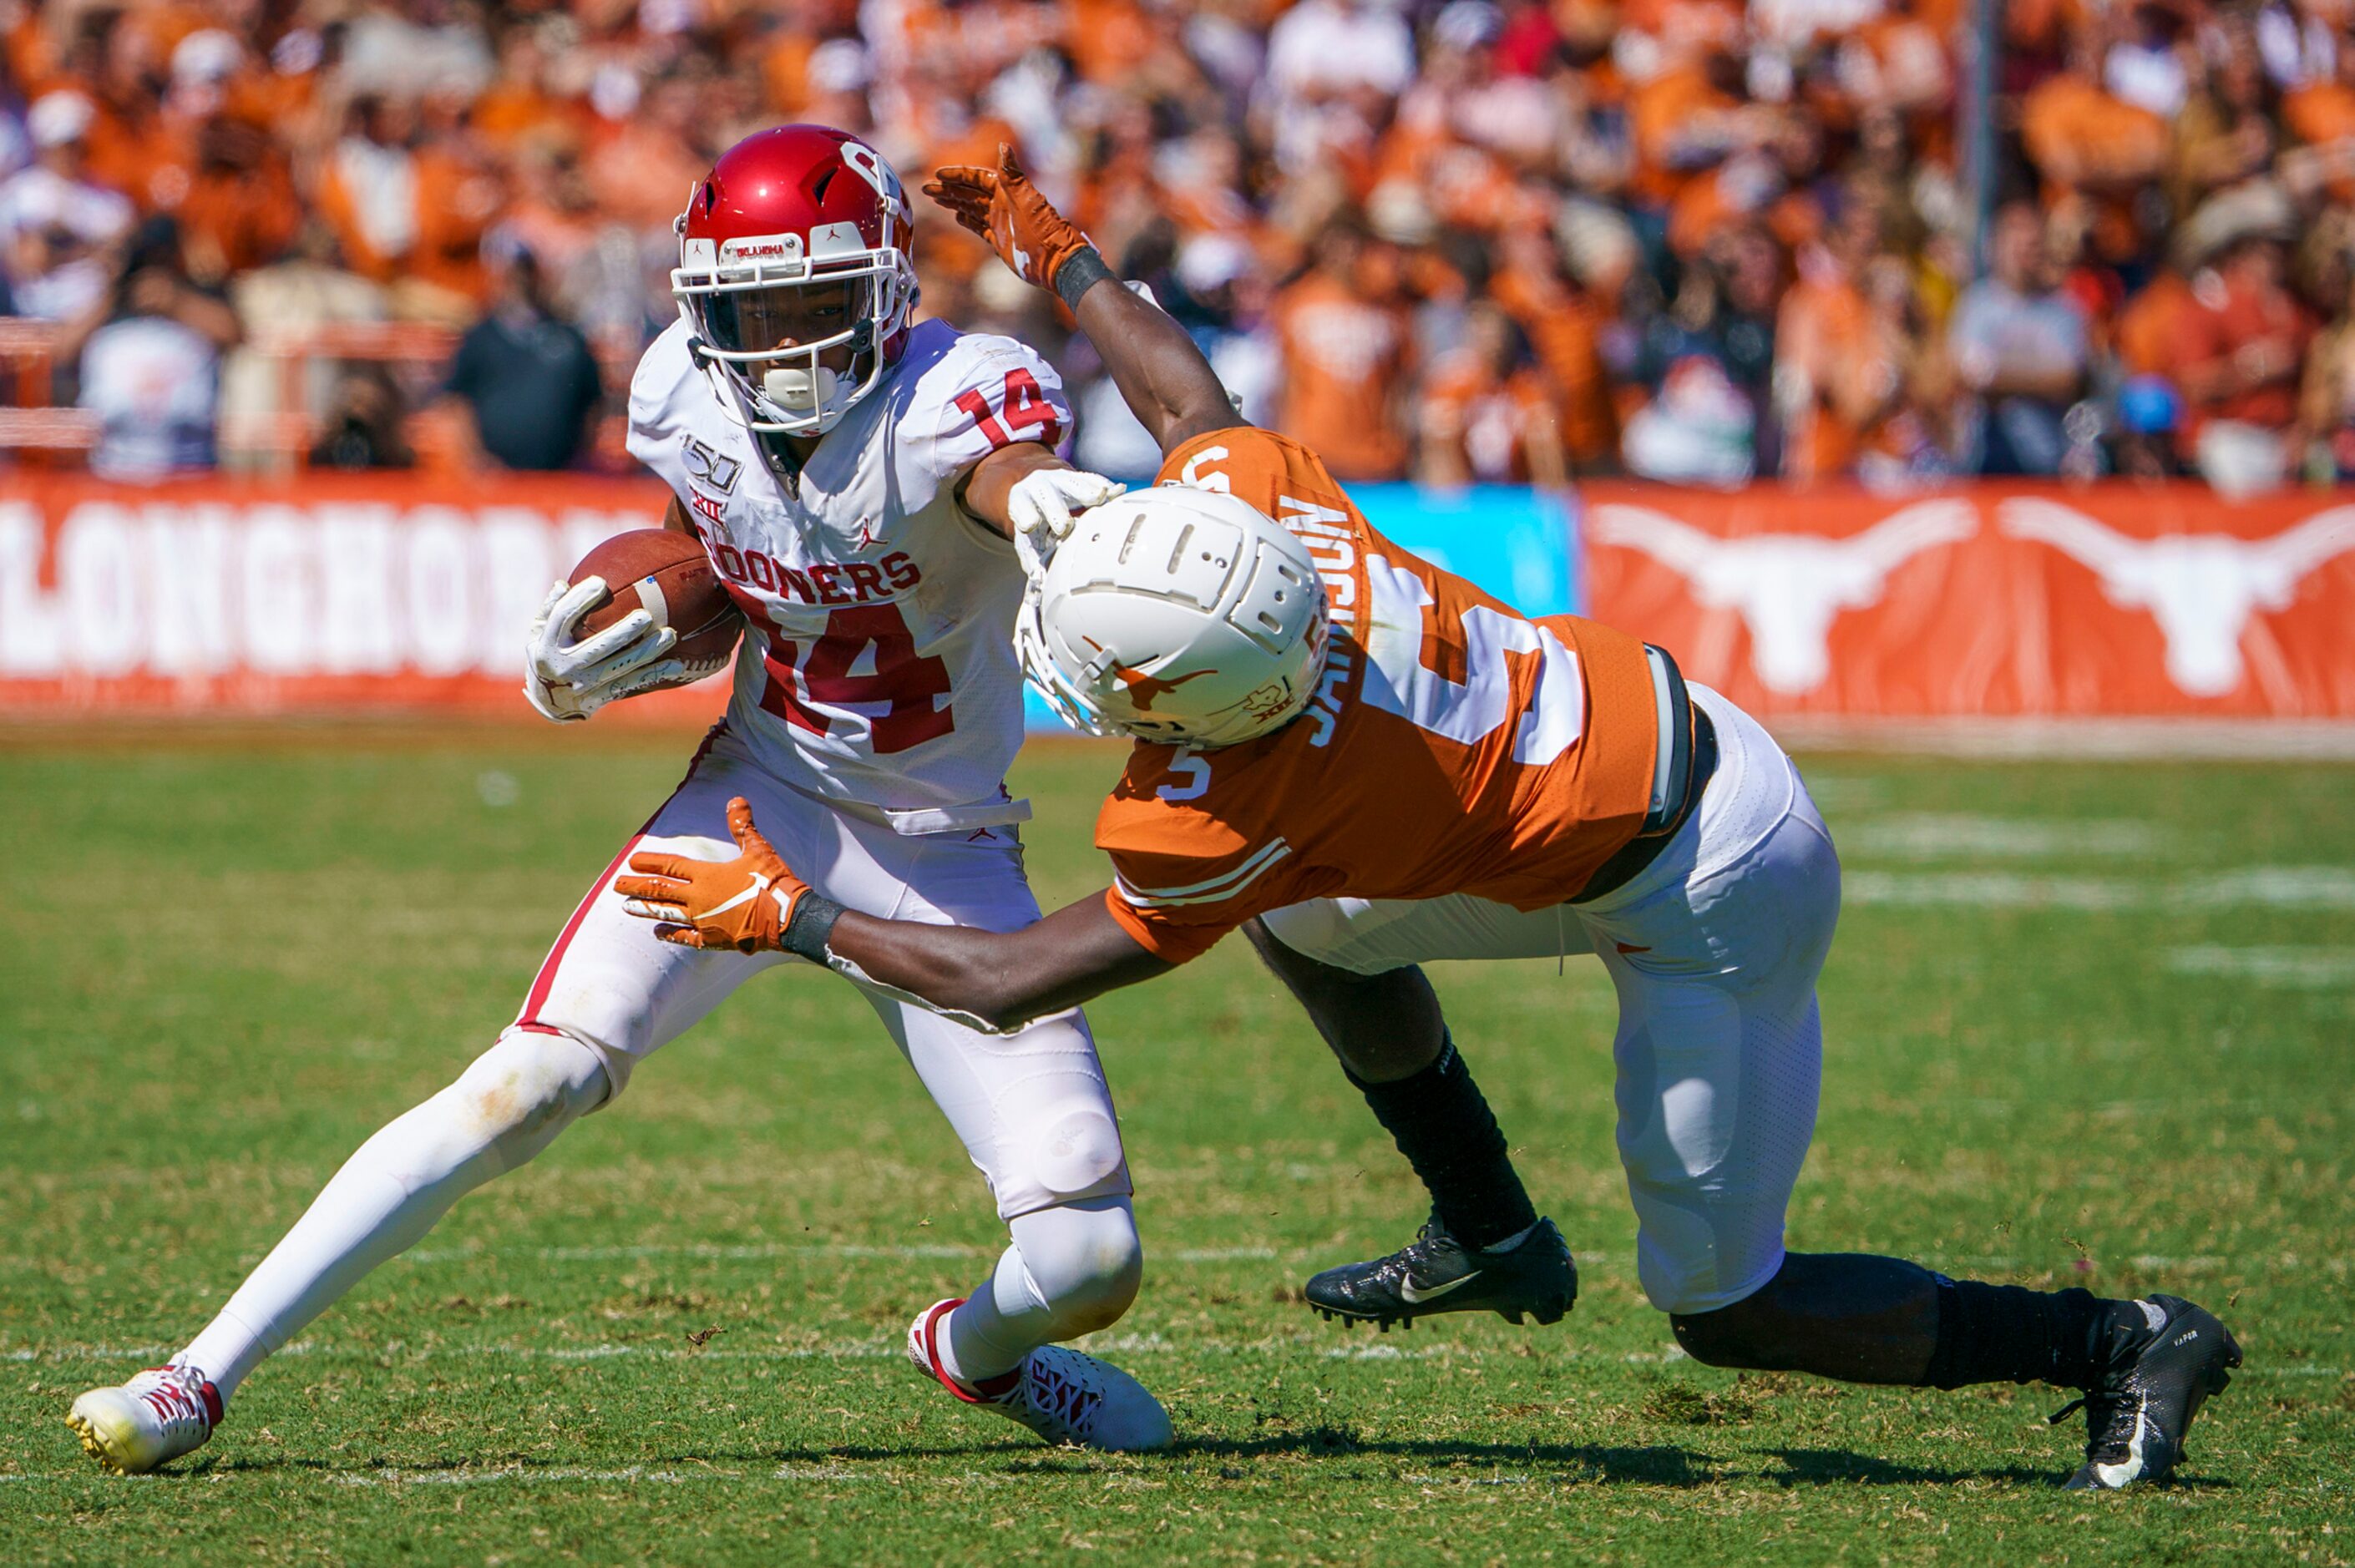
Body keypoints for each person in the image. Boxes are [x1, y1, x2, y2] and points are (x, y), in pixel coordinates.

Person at [618, 149, 2246, 1492]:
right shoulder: (1273, 514)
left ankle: (2118, 1339)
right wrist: (1063, 252)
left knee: (1720, 1308)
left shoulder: (1238, 795)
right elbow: (1185, 390)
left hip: (1711, 883)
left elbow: (1006, 979)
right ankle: (1487, 1227)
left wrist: (797, 917)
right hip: (1632, 767)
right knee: (1304, 913)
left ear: (1192, 699)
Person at [66, 125, 1166, 1476]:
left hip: (946, 846)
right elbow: (711, 567)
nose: (777, 342)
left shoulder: (962, 395)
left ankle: (976, 1349)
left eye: (810, 302)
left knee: (1087, 1253)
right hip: (762, 794)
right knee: (530, 1078)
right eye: (747, 311)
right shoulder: (687, 400)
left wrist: (1042, 492)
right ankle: (195, 1374)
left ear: (884, 291)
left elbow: (984, 476)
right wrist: (620, 637)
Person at [439, 242, 603, 471]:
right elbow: (457, 403)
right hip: (494, 477)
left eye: (527, 272)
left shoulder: (569, 337)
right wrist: (476, 460)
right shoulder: (481, 337)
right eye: (514, 273)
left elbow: (592, 403)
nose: (521, 282)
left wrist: (577, 461)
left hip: (558, 476)